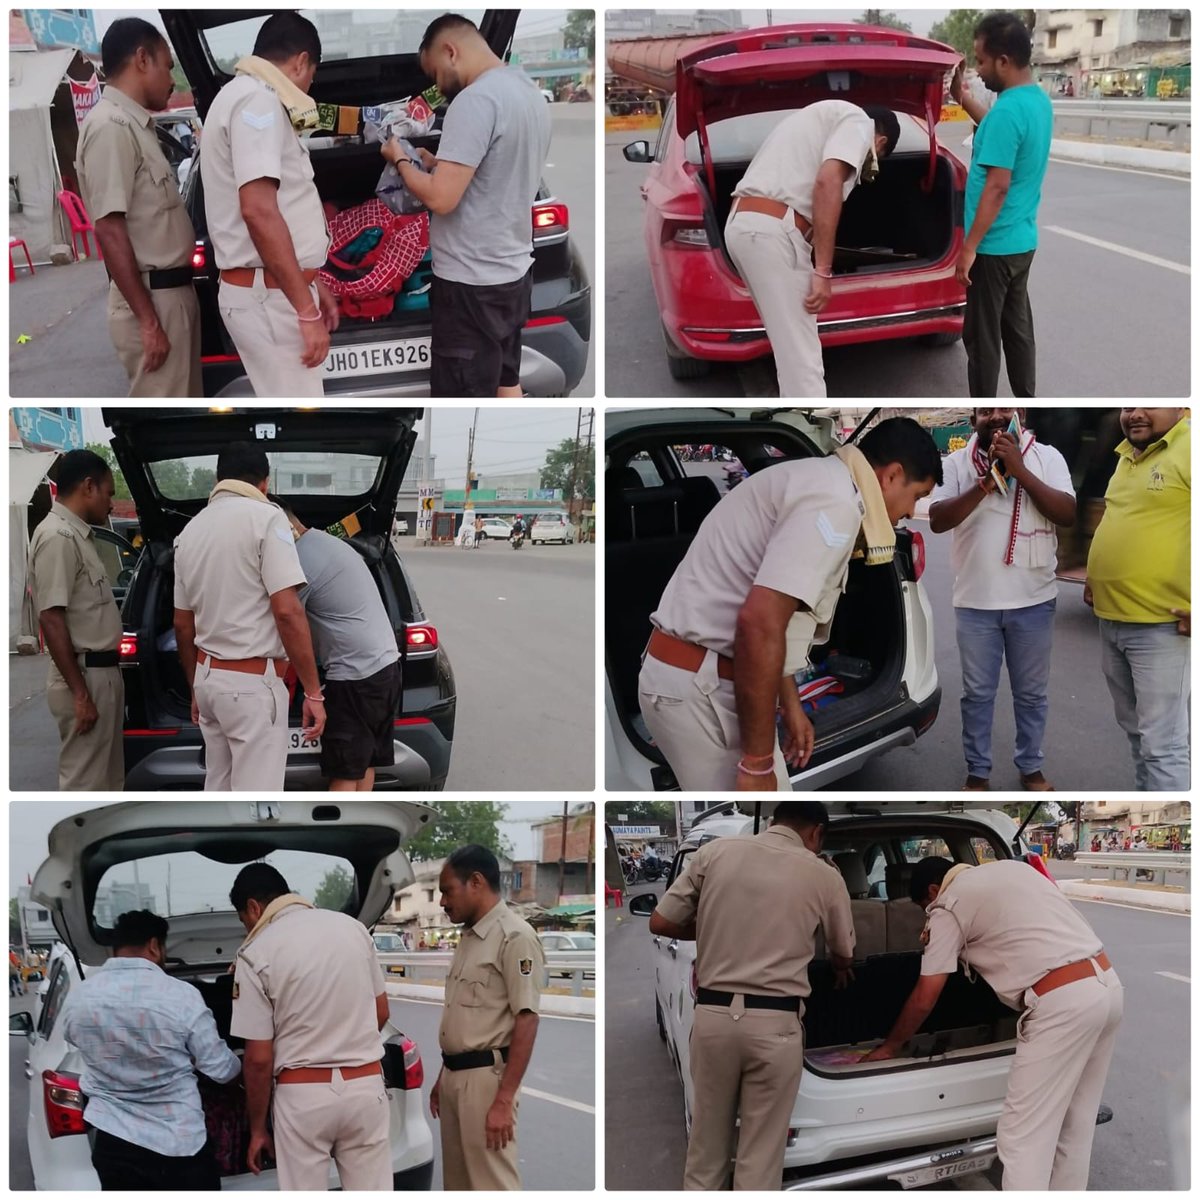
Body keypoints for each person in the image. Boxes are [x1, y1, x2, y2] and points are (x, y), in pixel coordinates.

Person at [639, 418, 942, 791]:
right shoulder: (835, 504)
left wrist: (792, 706)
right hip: (702, 686)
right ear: (892, 475)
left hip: (705, 677)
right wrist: (757, 762)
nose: (912, 511)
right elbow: (760, 625)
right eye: (916, 495)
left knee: (764, 824)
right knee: (754, 830)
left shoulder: (823, 481)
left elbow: (779, 625)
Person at [863, 856, 1122, 1189]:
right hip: (1108, 987)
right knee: (1076, 1124)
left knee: (1021, 1138)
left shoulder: (949, 904)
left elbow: (926, 994)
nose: (927, 913)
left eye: (923, 906)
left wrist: (890, 1047)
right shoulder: (1014, 869)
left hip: (1062, 1005)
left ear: (932, 890)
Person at [649, 802, 854, 1189]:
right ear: (816, 834)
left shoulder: (716, 852)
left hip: (713, 1018)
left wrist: (714, 930)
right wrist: (838, 965)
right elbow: (844, 952)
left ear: (774, 822)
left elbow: (660, 921)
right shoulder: (823, 875)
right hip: (775, 1027)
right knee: (759, 1159)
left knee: (706, 1149)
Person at [381, 14, 551, 398]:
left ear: (450, 51)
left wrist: (401, 158)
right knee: (507, 382)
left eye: (436, 73)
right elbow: (497, 172)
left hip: (470, 286)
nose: (437, 85)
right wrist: (434, 162)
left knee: (461, 397)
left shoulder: (474, 100)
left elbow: (441, 199)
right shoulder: (526, 91)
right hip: (512, 274)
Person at [929, 409, 1076, 791]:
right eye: (984, 411)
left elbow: (1066, 512)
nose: (994, 417)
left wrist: (1019, 469)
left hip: (1034, 602)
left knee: (1031, 695)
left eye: (1002, 411)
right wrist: (985, 484)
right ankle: (978, 771)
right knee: (977, 695)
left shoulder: (1048, 457)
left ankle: (1031, 766)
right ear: (974, 418)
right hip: (975, 604)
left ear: (1020, 414)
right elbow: (938, 519)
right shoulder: (957, 462)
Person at [172, 442, 326, 790]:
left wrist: (197, 686)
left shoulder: (189, 532)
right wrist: (314, 693)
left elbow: (183, 624)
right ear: (265, 484)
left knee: (219, 793)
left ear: (218, 478)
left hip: (209, 683)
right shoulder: (268, 518)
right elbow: (287, 611)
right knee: (256, 802)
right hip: (252, 689)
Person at [228, 863, 391, 1190]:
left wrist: (258, 1129)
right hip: (365, 1090)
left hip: (303, 1099)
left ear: (253, 907)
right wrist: (345, 1040)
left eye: (243, 919)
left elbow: (258, 1060)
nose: (246, 927)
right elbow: (381, 1012)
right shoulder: (353, 929)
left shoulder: (255, 953)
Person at [723, 100, 901, 398]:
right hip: (772, 232)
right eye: (877, 157)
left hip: (746, 227)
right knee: (804, 365)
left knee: (791, 352)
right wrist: (823, 269)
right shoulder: (859, 122)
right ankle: (804, 438)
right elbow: (827, 181)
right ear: (880, 141)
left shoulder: (815, 118)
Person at [201, 12, 337, 397]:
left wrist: (312, 280)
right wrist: (305, 309)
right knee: (302, 417)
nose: (310, 84)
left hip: (276, 291)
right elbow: (258, 210)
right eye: (312, 73)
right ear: (300, 61)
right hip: (270, 298)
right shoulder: (257, 102)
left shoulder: (240, 96)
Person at [60, 910, 241, 1190]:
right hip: (180, 1145)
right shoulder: (180, 996)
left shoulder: (80, 998)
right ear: (155, 946)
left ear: (115, 948)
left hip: (113, 1142)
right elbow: (220, 1069)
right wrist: (244, 1065)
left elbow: (73, 1038)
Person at [76, 18, 201, 397]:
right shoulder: (111, 127)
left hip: (169, 298)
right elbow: (109, 229)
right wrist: (149, 321)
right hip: (153, 302)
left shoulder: (135, 126)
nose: (172, 79)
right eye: (167, 65)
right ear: (142, 59)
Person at [1085, 408, 1190, 791]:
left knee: (1163, 746)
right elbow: (1120, 517)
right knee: (1137, 736)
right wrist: (1096, 577)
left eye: (1149, 404)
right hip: (1112, 621)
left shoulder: (1188, 446)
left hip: (1160, 628)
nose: (1135, 414)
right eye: (1128, 407)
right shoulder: (1128, 455)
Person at [950, 13, 1053, 397]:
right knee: (1017, 330)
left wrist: (970, 247)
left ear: (1004, 61)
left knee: (982, 339)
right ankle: (1028, 400)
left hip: (993, 249)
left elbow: (997, 187)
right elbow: (994, 128)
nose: (978, 68)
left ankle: (983, 408)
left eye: (981, 60)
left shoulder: (1010, 110)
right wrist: (962, 98)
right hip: (1021, 242)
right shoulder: (1034, 101)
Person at [274, 502, 402, 792]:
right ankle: (359, 828)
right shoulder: (327, 544)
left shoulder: (298, 560)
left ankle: (342, 830)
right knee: (363, 762)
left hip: (355, 677)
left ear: (284, 529)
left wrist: (311, 691)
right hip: (385, 669)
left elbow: (284, 620)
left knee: (346, 770)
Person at [436, 845, 543, 1189]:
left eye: (447, 891)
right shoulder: (470, 937)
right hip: (455, 1078)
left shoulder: (515, 937)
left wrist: (503, 1100)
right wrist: (444, 1075)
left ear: (476, 882)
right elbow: (466, 1017)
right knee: (459, 1185)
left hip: (486, 1083)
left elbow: (526, 1020)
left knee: (492, 1185)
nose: (442, 901)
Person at [27, 450, 125, 791]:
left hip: (99, 674)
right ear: (88, 487)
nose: (111, 504)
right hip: (84, 676)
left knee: (107, 782)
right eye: (109, 493)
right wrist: (81, 694)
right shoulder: (58, 537)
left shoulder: (77, 536)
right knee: (86, 783)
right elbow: (51, 617)